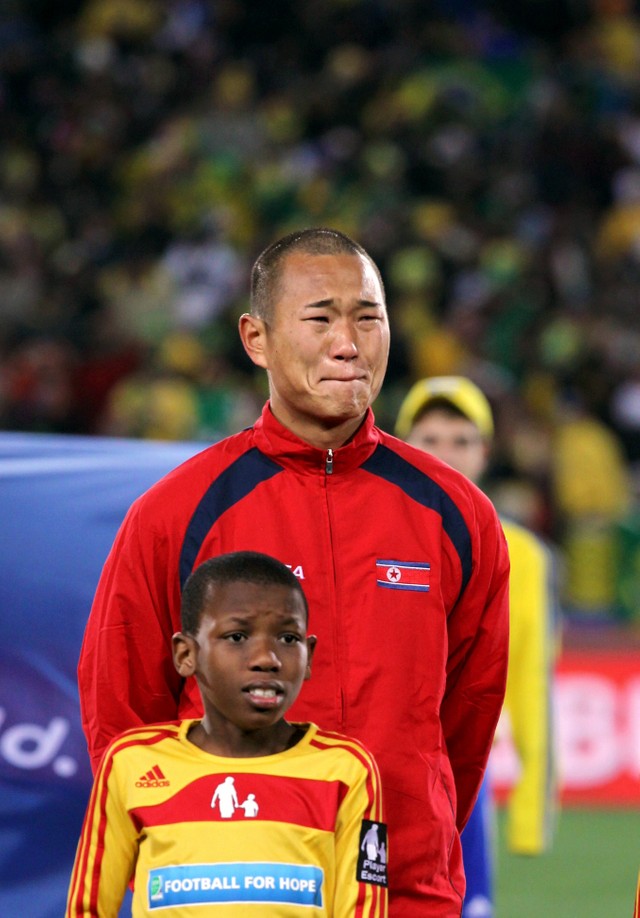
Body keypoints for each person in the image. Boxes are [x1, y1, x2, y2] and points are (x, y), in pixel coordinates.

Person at [78, 227, 510, 916]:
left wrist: (410, 833)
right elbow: (123, 717)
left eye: (367, 318)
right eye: (320, 318)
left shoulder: (458, 514)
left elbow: (467, 717)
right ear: (256, 338)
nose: (348, 344)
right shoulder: (175, 512)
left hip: (406, 890)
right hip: (228, 891)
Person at [67, 551, 388, 917]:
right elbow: (87, 909)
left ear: (309, 656)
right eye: (237, 636)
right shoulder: (131, 764)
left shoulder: (346, 771)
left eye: (288, 638)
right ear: (186, 654)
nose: (267, 658)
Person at [395, 375, 558, 918]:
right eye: (430, 438)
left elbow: (530, 679)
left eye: (461, 440)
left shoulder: (524, 557)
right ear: (400, 446)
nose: (446, 453)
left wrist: (531, 812)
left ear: (485, 453)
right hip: (366, 770)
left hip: (461, 779)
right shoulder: (364, 534)